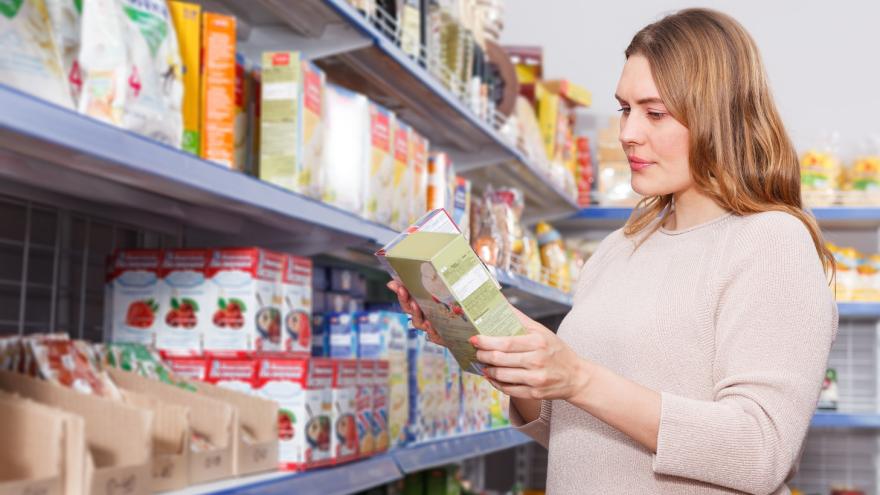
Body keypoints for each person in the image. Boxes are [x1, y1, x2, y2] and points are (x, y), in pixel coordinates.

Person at [388, 7, 838, 494]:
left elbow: (760, 450)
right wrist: (512, 360)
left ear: (719, 114)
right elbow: (576, 438)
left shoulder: (771, 242)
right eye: (625, 109)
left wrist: (579, 378)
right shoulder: (617, 250)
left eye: (655, 112)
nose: (627, 133)